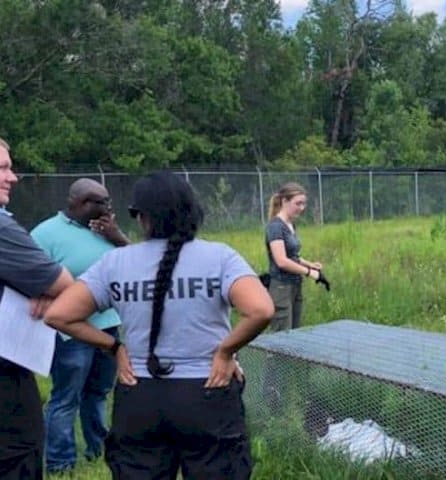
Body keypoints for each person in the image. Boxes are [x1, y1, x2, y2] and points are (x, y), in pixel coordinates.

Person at [45, 171, 273, 479]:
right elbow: (260, 310)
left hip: (139, 393)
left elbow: (58, 315)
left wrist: (114, 347)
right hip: (208, 390)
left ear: (142, 218)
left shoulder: (116, 263)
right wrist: (225, 352)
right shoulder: (220, 257)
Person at [30, 178, 129, 474]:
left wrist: (118, 236)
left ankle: (98, 450)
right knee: (66, 396)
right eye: (103, 202)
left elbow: (139, 262)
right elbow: (31, 277)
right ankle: (61, 463)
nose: (109, 208)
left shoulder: (106, 230)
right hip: (70, 331)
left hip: (109, 326)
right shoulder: (45, 234)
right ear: (82, 203)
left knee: (98, 393)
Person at [0, 138, 74, 479]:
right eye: (2, 168)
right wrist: (47, 288)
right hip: (6, 380)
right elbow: (65, 284)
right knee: (20, 455)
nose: (12, 177)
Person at [265, 182, 324, 331]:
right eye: (298, 203)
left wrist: (309, 264)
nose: (302, 208)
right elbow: (282, 261)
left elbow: (292, 256)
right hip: (281, 287)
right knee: (282, 337)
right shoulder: (275, 226)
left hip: (296, 285)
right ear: (284, 201)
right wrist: (309, 273)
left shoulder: (291, 224)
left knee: (295, 334)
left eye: (304, 204)